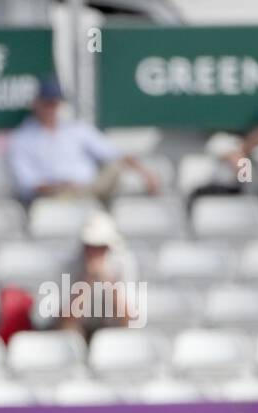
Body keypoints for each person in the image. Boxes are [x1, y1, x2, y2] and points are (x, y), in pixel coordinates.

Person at [8, 75, 160, 203]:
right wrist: (59, 185)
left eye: (54, 103)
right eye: (47, 103)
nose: (51, 109)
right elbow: (27, 183)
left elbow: (114, 153)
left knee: (115, 170)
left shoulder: (76, 129)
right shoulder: (22, 139)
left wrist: (146, 174)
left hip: (90, 190)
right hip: (55, 195)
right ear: (37, 103)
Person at [56, 210, 140, 341]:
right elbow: (65, 319)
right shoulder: (72, 264)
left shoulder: (124, 263)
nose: (94, 252)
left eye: (100, 247)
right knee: (69, 329)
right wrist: (85, 284)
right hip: (81, 329)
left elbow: (129, 318)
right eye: (90, 246)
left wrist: (108, 282)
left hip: (112, 327)